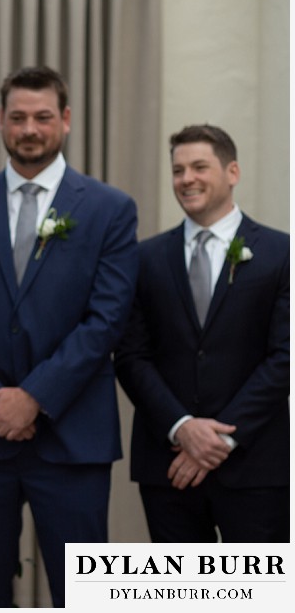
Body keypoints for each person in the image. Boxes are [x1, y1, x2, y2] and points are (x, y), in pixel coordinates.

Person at [0, 66, 139, 607]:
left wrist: (35, 398)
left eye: (43, 117)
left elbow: (107, 319)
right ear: (1, 121)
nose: (29, 128)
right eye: (18, 117)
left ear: (65, 121)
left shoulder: (110, 209)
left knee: (84, 595)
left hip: (73, 437)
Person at [114, 124, 289, 542]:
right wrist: (182, 427)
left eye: (198, 167)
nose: (186, 178)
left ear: (232, 172)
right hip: (169, 462)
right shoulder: (145, 258)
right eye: (177, 170)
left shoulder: (282, 254)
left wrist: (221, 439)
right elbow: (131, 356)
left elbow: (285, 356)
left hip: (254, 464)